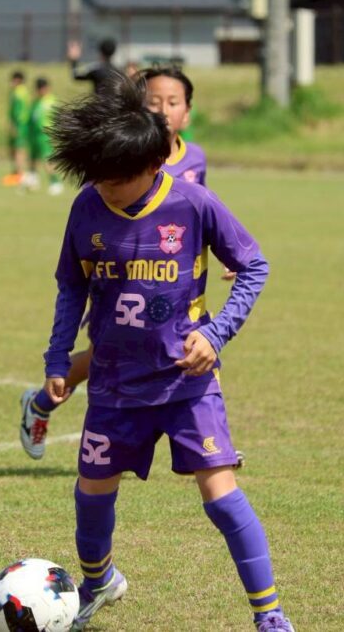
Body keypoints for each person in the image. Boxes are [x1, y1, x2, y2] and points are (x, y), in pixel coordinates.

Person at [38, 74, 292, 631]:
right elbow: (71, 285)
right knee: (92, 492)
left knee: (221, 496)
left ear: (154, 164)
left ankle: (269, 614)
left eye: (117, 179)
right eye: (98, 177)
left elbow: (254, 265)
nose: (106, 188)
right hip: (113, 382)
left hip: (185, 382)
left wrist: (216, 333)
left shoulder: (193, 202)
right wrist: (58, 358)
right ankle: (98, 581)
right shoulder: (86, 206)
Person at [18, 66, 241, 461]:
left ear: (187, 112)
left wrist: (229, 255)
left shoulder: (195, 159)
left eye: (172, 102)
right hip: (122, 278)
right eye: (153, 102)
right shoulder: (119, 158)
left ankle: (212, 439)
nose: (163, 110)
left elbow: (203, 217)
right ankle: (41, 402)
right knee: (105, 356)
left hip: (175, 283)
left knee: (191, 347)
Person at [26, 77, 64, 196]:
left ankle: (55, 183)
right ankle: (33, 181)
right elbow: (31, 119)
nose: (40, 91)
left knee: (47, 160)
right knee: (32, 159)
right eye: (38, 88)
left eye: (42, 88)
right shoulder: (36, 102)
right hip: (34, 135)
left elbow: (58, 119)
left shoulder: (51, 101)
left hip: (45, 135)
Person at [1, 70, 30, 187]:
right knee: (14, 149)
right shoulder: (20, 91)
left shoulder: (18, 93)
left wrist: (15, 125)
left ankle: (20, 174)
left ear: (18, 80)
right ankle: (16, 172)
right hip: (20, 124)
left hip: (20, 125)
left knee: (18, 149)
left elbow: (19, 111)